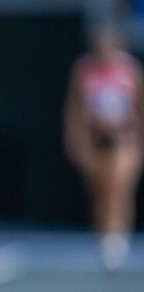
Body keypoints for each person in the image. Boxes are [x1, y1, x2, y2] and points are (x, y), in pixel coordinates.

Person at [64, 26, 144, 270]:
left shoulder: (130, 69)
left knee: (119, 185)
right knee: (101, 189)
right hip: (96, 136)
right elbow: (75, 109)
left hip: (123, 135)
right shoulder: (84, 69)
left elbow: (139, 107)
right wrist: (76, 141)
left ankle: (117, 235)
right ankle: (105, 235)